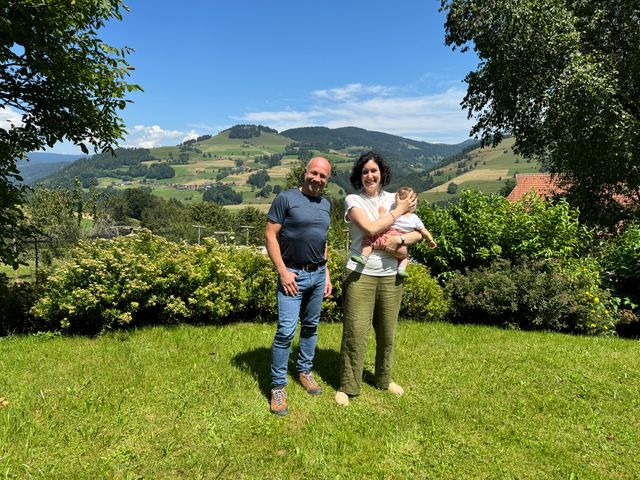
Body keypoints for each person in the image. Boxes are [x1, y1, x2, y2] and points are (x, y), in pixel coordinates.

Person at [335, 151, 424, 406]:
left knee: (387, 333)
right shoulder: (353, 200)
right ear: (359, 176)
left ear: (382, 173)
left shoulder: (396, 198)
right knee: (355, 332)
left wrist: (401, 239)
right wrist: (399, 212)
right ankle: (348, 385)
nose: (369, 176)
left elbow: (417, 231)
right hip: (360, 274)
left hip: (391, 275)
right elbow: (371, 228)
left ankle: (384, 379)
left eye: (373, 171)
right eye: (364, 172)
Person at [264, 156, 333, 416]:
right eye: (313, 173)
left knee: (311, 326)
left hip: (317, 276)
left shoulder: (326, 204)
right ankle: (278, 387)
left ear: (327, 180)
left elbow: (323, 240)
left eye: (322, 176)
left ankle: (304, 371)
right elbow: (270, 235)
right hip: (291, 275)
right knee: (285, 332)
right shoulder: (286, 199)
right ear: (305, 173)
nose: (316, 179)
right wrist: (282, 272)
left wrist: (326, 274)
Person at [351, 186, 437, 277]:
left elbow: (383, 224)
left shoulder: (393, 212)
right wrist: (430, 240)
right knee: (404, 257)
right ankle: (401, 269)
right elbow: (423, 231)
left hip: (384, 237)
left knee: (368, 241)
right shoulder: (415, 219)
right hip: (400, 247)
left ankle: (364, 257)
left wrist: (381, 213)